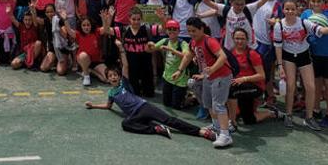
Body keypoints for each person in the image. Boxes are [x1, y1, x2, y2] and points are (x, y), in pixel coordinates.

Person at [85, 57, 216, 143]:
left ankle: (201, 132)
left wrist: (121, 49)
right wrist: (93, 105)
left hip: (144, 107)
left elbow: (125, 66)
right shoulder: (111, 93)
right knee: (125, 124)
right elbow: (108, 106)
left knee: (170, 120)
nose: (113, 77)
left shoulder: (124, 84)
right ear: (107, 79)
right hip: (135, 116)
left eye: (115, 75)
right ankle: (157, 129)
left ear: (119, 77)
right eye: (110, 76)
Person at [272, 0, 328, 130]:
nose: (290, 11)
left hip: (304, 55)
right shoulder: (279, 25)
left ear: (297, 10)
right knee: (291, 86)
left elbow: (320, 30)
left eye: (292, 9)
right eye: (287, 9)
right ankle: (288, 115)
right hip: (288, 57)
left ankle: (309, 117)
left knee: (310, 87)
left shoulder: (304, 22)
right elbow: (278, 46)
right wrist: (280, 65)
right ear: (283, 10)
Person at [171, 17, 234, 148]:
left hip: (221, 76)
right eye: (189, 31)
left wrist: (211, 70)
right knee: (209, 104)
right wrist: (179, 70)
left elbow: (223, 57)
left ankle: (225, 135)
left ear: (201, 29)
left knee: (218, 105)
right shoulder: (193, 43)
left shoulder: (210, 41)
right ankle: (217, 127)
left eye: (194, 30)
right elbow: (188, 55)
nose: (191, 33)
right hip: (208, 77)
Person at [148, 19, 190, 109]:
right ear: (166, 31)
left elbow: (186, 56)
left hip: (180, 79)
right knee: (166, 103)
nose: (172, 31)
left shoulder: (182, 43)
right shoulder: (165, 40)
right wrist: (149, 44)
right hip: (167, 77)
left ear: (178, 31)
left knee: (176, 106)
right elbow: (151, 49)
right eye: (169, 29)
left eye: (174, 29)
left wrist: (171, 50)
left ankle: (191, 99)